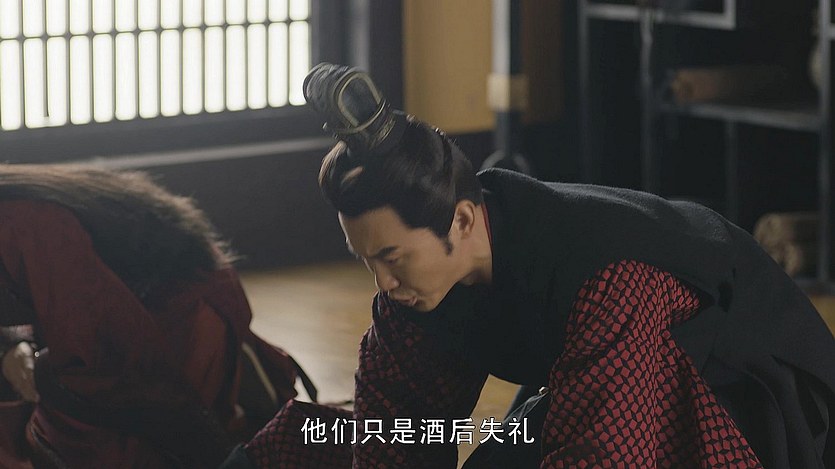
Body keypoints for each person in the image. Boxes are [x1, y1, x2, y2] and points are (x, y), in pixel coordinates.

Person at [231, 63, 835, 468]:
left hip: (741, 402)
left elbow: (600, 455)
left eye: (392, 257)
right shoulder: (416, 284)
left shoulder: (611, 277)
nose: (384, 283)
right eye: (367, 261)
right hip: (600, 387)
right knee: (310, 439)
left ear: (460, 221)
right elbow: (392, 433)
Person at [0, 164, 311, 468]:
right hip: (115, 312)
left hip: (178, 307)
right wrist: (11, 348)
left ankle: (225, 384)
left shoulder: (21, 221)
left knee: (80, 443)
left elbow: (106, 344)